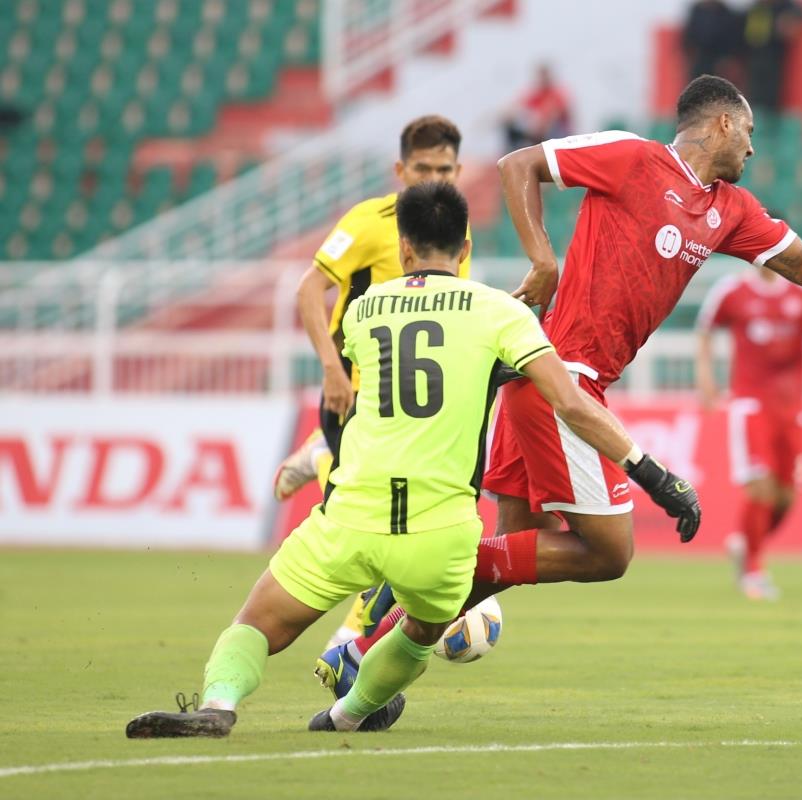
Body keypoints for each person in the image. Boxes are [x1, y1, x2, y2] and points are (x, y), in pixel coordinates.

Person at [314, 75, 802, 698]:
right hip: (562, 378)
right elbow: (519, 164)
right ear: (722, 124)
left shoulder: (731, 209)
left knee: (508, 553)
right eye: (749, 132)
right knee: (606, 553)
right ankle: (405, 597)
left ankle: (360, 651)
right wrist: (544, 260)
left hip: (544, 382)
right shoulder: (631, 157)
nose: (753, 148)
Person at [125, 183, 698, 737]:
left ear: (403, 248)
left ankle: (219, 705)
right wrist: (651, 473)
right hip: (441, 531)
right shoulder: (499, 312)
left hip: (353, 516)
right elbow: (569, 403)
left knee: (256, 623)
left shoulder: (364, 311)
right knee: (422, 631)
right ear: (465, 248)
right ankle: (347, 716)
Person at [271, 115, 471, 649]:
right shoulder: (368, 221)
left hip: (413, 405)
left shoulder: (455, 229)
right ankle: (349, 641)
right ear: (400, 170)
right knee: (381, 522)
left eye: (445, 169)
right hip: (356, 393)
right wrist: (331, 370)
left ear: (458, 170)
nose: (435, 178)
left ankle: (318, 458)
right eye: (423, 168)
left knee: (402, 522)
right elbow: (309, 290)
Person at [696, 266, 802, 599]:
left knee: (786, 497)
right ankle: (753, 572)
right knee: (760, 487)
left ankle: (745, 544)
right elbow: (705, 330)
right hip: (751, 404)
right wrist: (706, 378)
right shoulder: (732, 290)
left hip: (793, 408)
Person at [741, 0, 802, 112]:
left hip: (777, 60)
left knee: (773, 98)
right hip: (754, 60)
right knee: (754, 97)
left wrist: (789, 22)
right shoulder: (756, 8)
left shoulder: (785, 7)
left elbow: (800, 15)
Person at [503, 64, 573, 151]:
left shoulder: (557, 94)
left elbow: (553, 115)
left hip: (557, 136)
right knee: (512, 125)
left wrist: (537, 125)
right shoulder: (537, 93)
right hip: (539, 131)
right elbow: (517, 105)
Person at [682, 0, 741, 81]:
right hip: (699, 57)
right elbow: (689, 35)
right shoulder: (697, 10)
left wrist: (726, 58)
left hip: (719, 59)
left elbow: (731, 39)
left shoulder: (726, 13)